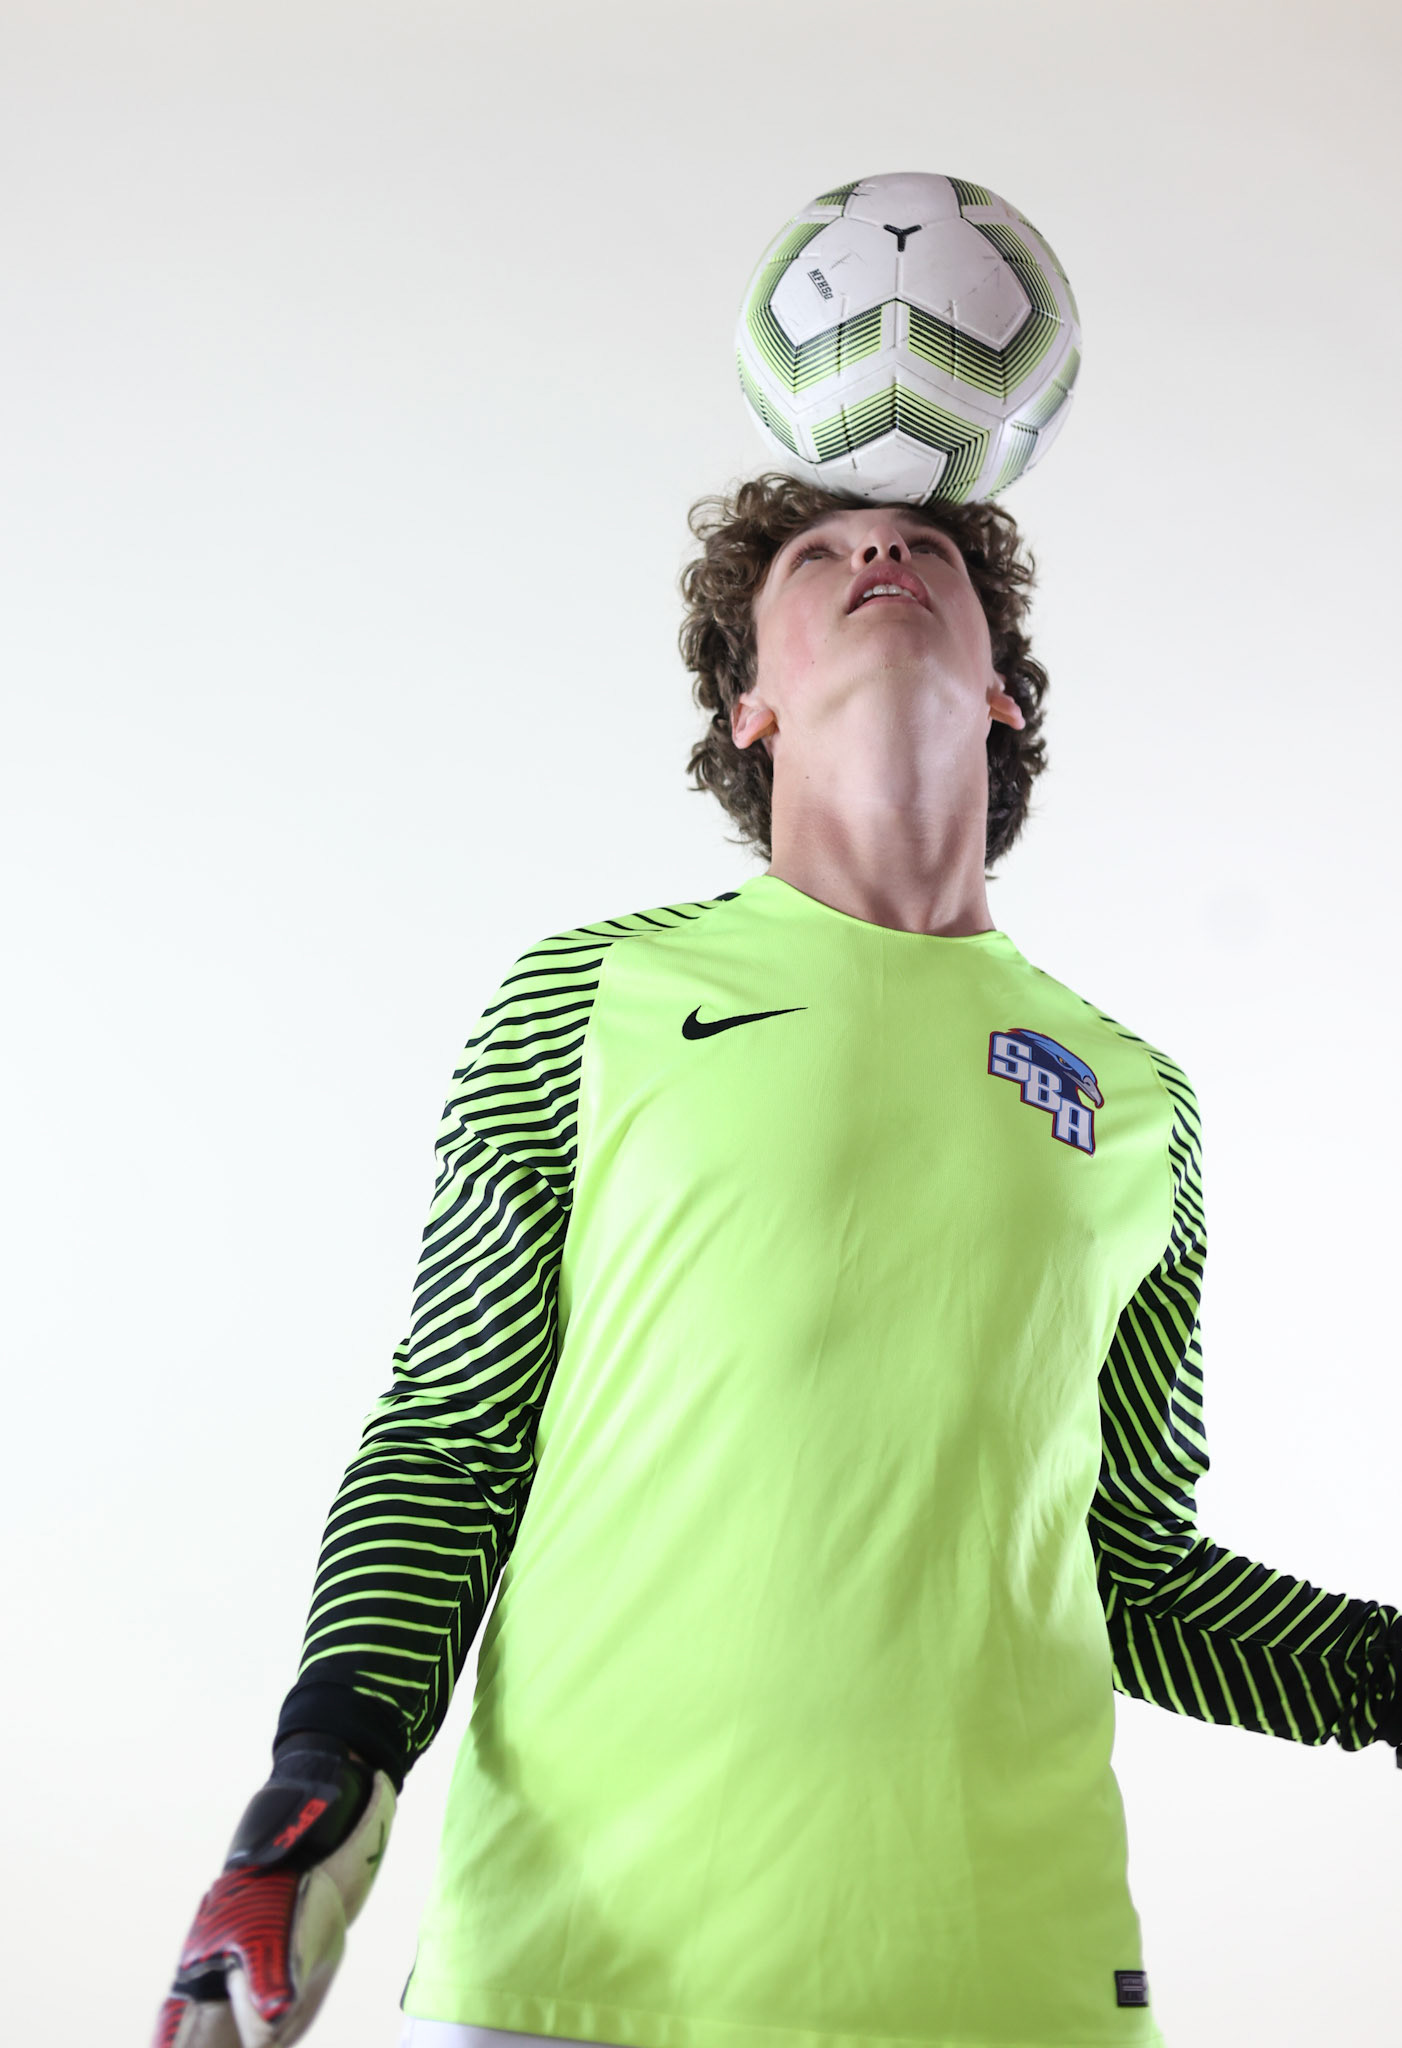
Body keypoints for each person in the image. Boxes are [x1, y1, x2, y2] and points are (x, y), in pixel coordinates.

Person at [155, 474, 1402, 2048]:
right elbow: (455, 1441)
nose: (881, 551)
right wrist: (320, 1774)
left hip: (1011, 1977)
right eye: (819, 556)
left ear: (1002, 691)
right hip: (588, 1972)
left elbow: (1129, 1574)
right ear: (747, 704)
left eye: (925, 547)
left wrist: (1382, 1675)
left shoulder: (1137, 1098)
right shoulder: (589, 994)